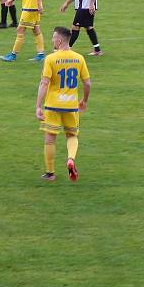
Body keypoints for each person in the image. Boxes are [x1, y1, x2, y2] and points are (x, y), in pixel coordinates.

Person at [36, 26, 92, 181]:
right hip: (71, 106)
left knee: (50, 138)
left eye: (53, 37)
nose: (52, 40)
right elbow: (87, 84)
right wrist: (84, 101)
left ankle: (50, 173)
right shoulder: (79, 58)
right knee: (72, 135)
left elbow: (44, 83)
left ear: (59, 40)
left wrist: (38, 106)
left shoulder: (51, 59)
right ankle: (70, 159)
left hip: (53, 105)